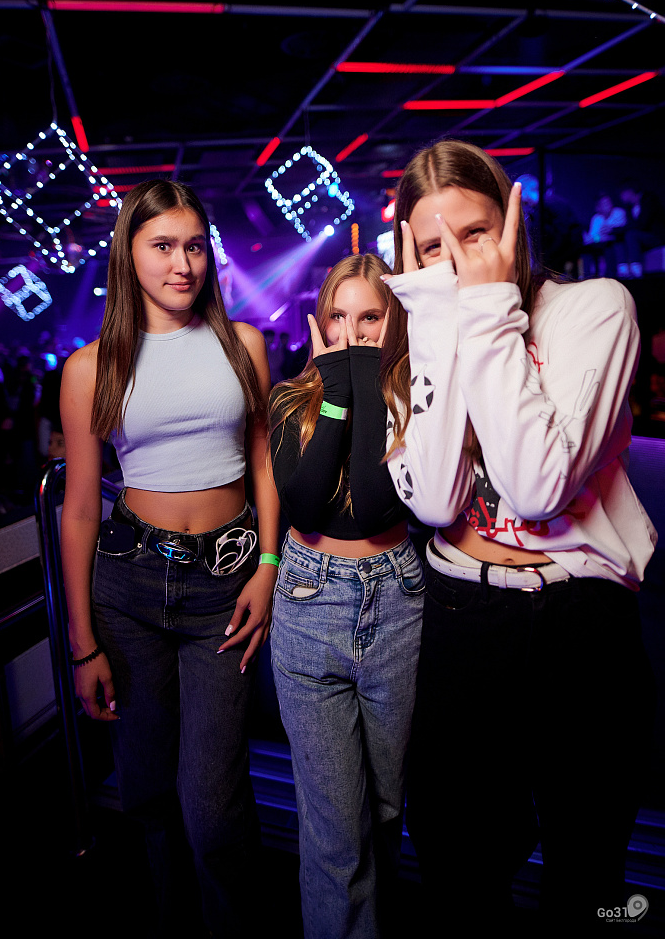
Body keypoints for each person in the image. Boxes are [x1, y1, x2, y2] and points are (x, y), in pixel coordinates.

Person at [384, 140, 656, 934]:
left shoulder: (594, 309)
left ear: (513, 225)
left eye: (474, 233)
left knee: (590, 874)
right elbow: (437, 499)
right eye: (431, 246)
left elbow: (539, 486)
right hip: (462, 614)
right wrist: (438, 324)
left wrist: (489, 312)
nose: (457, 259)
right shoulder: (416, 339)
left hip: (580, 618)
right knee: (456, 860)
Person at [59, 179, 280, 937]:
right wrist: (82, 644)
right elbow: (80, 509)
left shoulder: (244, 344)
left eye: (193, 246)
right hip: (127, 586)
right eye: (162, 246)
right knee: (150, 794)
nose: (181, 264)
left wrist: (269, 566)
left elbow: (264, 464)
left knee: (214, 810)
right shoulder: (90, 367)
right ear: (129, 254)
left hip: (225, 585)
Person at [269, 253, 424, 939]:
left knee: (385, 812)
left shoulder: (416, 398)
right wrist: (337, 390)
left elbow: (373, 501)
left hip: (397, 602)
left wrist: (363, 378)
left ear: (396, 321)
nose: (353, 333)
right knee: (336, 832)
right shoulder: (291, 400)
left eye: (370, 318)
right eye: (339, 316)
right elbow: (306, 506)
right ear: (319, 320)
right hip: (311, 601)